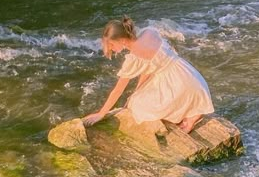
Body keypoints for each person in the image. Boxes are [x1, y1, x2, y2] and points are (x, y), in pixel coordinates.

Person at [82, 16, 214, 133]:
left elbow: (118, 90)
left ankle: (190, 114)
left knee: (136, 106)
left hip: (180, 85)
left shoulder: (134, 58)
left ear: (121, 40)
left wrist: (101, 113)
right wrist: (137, 91)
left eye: (111, 44)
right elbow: (148, 69)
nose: (110, 48)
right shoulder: (148, 32)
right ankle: (192, 111)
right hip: (190, 76)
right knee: (137, 96)